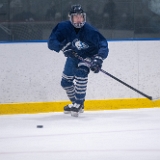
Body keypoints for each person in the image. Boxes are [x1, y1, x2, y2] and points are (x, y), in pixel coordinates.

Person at [48, 4, 109, 117]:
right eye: (76, 17)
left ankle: (79, 103)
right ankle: (76, 103)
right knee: (65, 83)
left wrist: (98, 59)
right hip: (73, 57)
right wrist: (62, 46)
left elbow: (103, 44)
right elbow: (51, 41)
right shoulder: (63, 27)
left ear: (84, 17)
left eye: (81, 16)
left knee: (81, 73)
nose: (79, 19)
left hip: (87, 56)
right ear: (70, 17)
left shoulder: (90, 30)